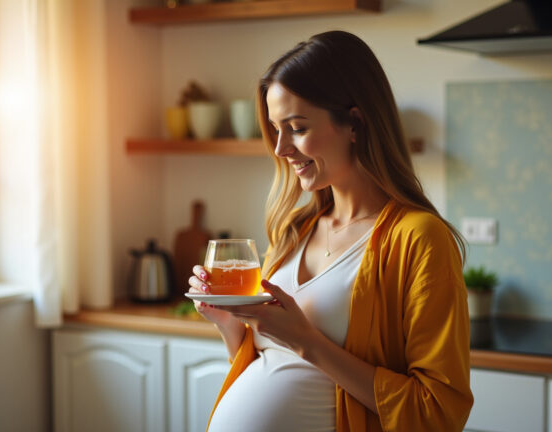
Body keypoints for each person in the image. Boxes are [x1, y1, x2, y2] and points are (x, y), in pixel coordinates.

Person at [187, 30, 473, 431]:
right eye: (276, 129)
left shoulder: (419, 238)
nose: (281, 149)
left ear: (354, 123)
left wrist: (307, 341)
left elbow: (438, 412)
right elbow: (271, 363)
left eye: (297, 127)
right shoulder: (294, 230)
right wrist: (229, 323)